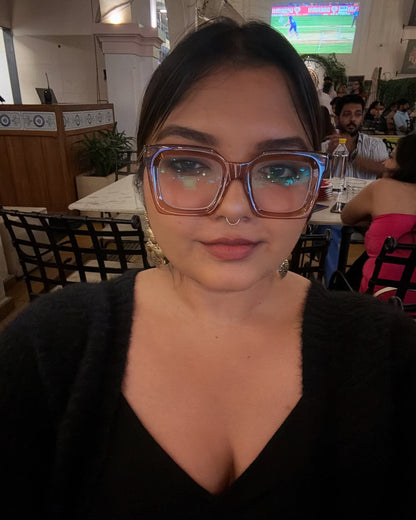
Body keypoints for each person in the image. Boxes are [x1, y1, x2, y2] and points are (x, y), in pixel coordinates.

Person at [1, 18, 415, 520]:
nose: (233, 208)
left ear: (314, 184)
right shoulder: (47, 350)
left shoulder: (387, 351)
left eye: (280, 168)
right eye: (189, 164)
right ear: (144, 178)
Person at [341, 134, 416, 302]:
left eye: (391, 158)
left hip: (379, 300)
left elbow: (347, 217)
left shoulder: (382, 188)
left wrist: (377, 218)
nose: (384, 162)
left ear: (406, 165)